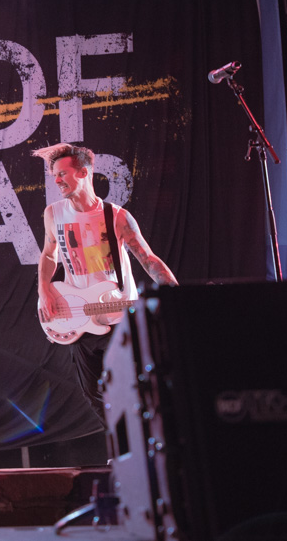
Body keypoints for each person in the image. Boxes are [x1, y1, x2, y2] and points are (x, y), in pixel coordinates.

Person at [34, 143, 178, 427]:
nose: (57, 181)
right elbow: (49, 254)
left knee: (136, 389)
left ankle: (150, 439)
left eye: (63, 173)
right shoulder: (53, 214)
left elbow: (148, 259)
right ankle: (123, 441)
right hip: (80, 318)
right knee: (94, 394)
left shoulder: (117, 216)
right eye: (54, 176)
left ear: (83, 172)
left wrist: (176, 295)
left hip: (120, 318)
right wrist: (44, 288)